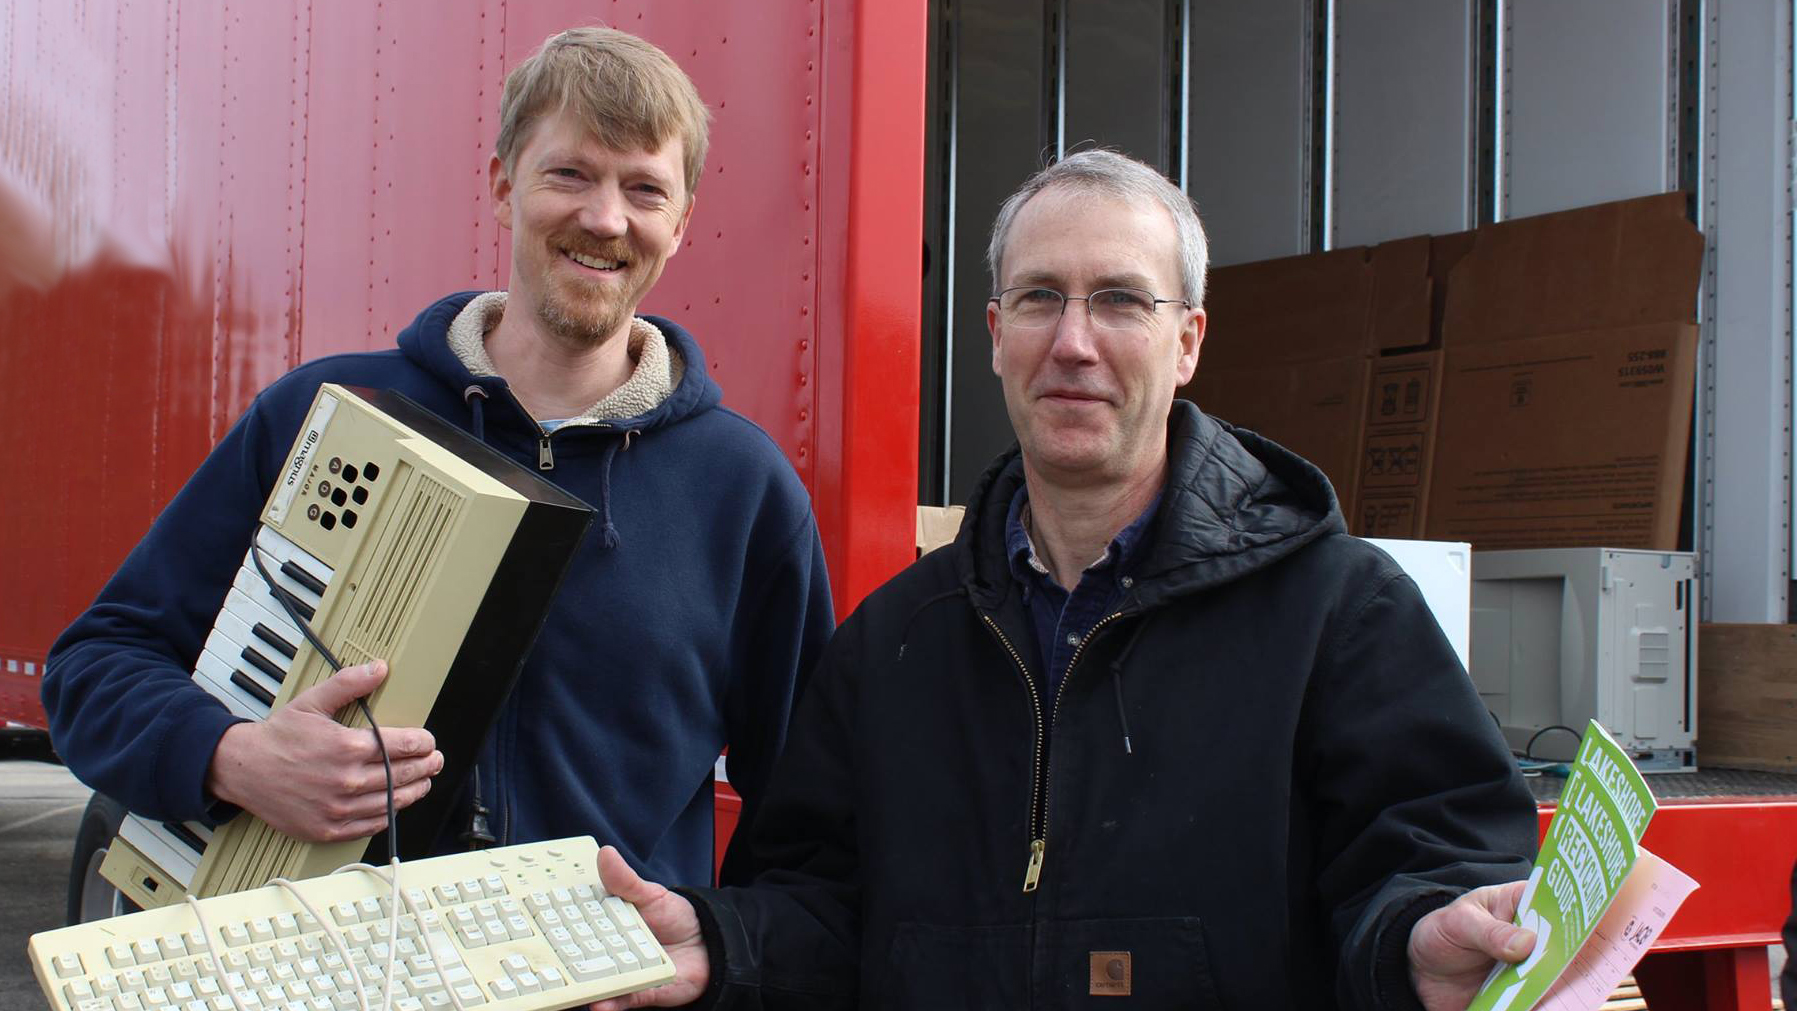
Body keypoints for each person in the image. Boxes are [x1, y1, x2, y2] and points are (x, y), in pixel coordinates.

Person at [594, 150, 1541, 1010]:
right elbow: (813, 903)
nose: (1073, 342)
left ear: (1188, 342)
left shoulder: (1340, 613)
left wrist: (1418, 946)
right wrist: (724, 944)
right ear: (998, 333)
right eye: (1041, 298)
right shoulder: (892, 644)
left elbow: (1433, 856)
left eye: (1122, 300)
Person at [42, 26, 833, 889]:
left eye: (643, 189)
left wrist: (720, 955)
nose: (605, 218)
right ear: (502, 185)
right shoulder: (327, 414)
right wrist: (232, 757)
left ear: (679, 224)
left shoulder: (743, 490)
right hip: (326, 970)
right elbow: (96, 665)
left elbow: (807, 808)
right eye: (569, 173)